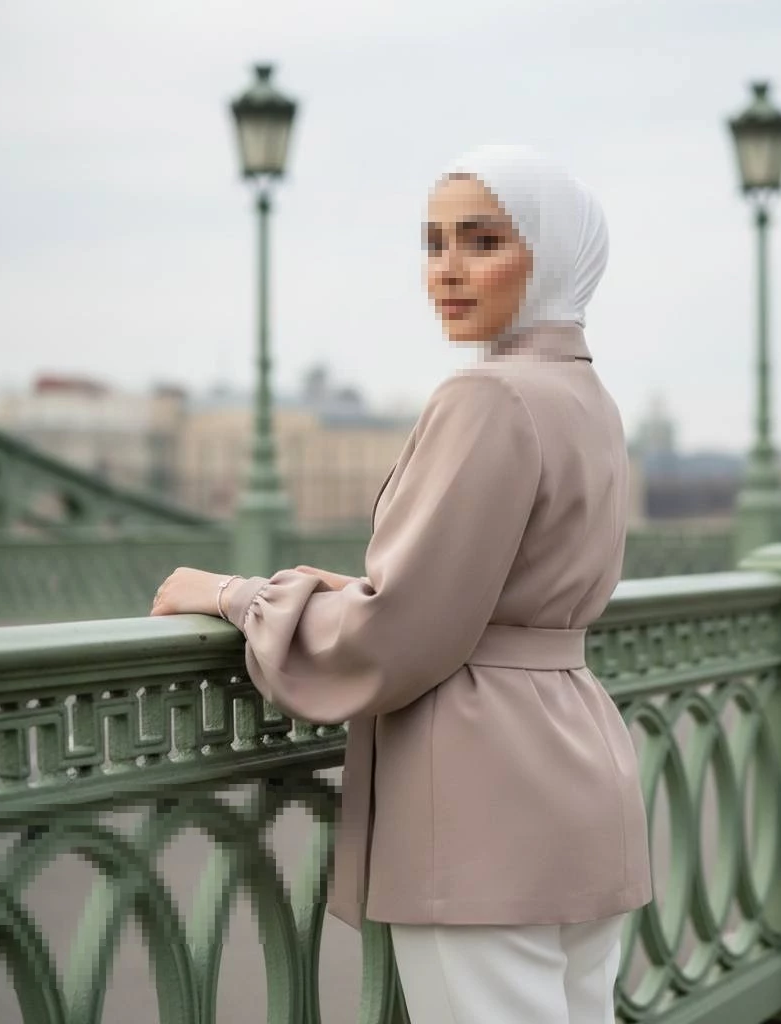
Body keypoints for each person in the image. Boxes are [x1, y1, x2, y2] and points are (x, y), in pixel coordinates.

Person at [151, 144, 653, 1023]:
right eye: (433, 242)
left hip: (482, 793)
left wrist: (237, 596)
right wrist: (362, 589)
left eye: (484, 240)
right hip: (581, 765)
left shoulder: (487, 397)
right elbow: (509, 592)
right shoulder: (586, 396)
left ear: (550, 252)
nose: (447, 270)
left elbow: (396, 638)